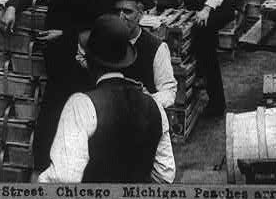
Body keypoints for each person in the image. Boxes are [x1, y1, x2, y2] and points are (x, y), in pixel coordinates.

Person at [0, 0, 112, 174]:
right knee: (48, 135)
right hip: (59, 75)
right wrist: (12, 7)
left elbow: (103, 33)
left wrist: (64, 36)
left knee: (68, 139)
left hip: (81, 79)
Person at [38, 14, 175, 183]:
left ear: (89, 61)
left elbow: (64, 177)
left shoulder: (81, 105)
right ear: (126, 61)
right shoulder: (154, 105)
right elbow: (165, 174)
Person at [110, 0, 176, 108]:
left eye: (128, 12)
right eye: (116, 11)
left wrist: (146, 100)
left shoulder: (156, 47)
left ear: (140, 15)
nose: (120, 17)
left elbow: (169, 92)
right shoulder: (105, 42)